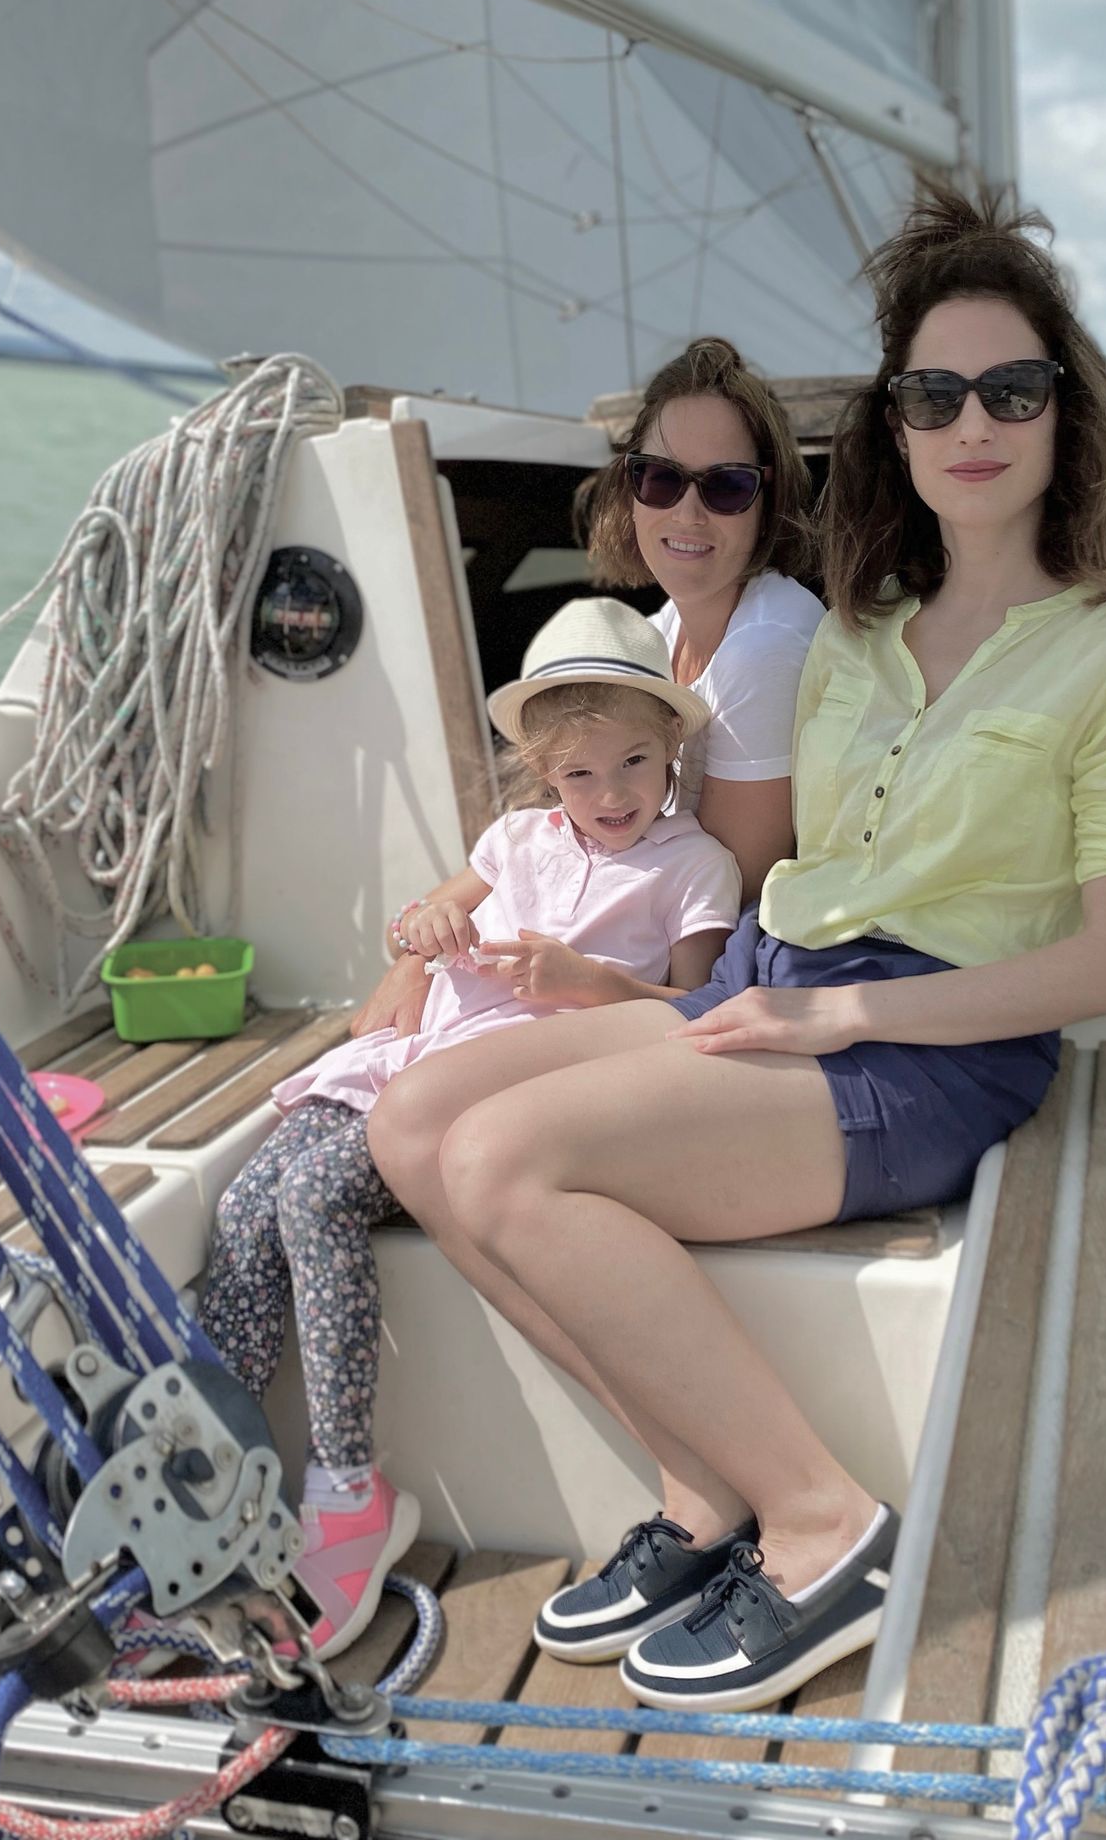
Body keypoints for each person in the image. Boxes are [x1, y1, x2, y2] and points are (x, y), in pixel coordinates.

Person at [366, 185, 1106, 1710]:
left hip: (928, 1049)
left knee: (509, 1165)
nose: (973, 420)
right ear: (895, 424)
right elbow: (783, 867)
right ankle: (702, 1491)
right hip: (783, 982)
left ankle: (827, 1530)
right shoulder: (859, 633)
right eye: (933, 392)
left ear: (1064, 417)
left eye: (1011, 389)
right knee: (415, 1120)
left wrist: (841, 1026)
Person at [198, 599, 742, 1655]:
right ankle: (222, 1464)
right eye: (580, 774)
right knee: (247, 1197)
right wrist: (430, 926)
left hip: (498, 1099)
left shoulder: (693, 867)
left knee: (311, 1197)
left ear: (674, 741)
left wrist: (584, 981)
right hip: (414, 1064)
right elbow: (420, 923)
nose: (611, 794)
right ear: (545, 772)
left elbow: (693, 1007)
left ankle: (350, 1489)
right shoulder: (516, 842)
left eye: (633, 762)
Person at [344, 337, 820, 1048]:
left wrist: (542, 972)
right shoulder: (659, 634)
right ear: (628, 487)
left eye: (724, 486)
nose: (687, 514)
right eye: (660, 480)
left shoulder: (763, 650)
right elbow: (561, 845)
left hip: (673, 1000)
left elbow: (722, 896)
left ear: (768, 496)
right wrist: (419, 951)